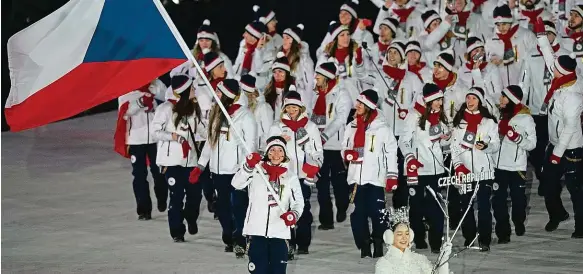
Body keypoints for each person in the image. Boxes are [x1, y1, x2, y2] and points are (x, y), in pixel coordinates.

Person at [190, 79, 258, 255]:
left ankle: (241, 240)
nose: (216, 96)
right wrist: (200, 166)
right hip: (218, 171)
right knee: (222, 207)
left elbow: (250, 146)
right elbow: (210, 143)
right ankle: (229, 236)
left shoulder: (245, 116)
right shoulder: (217, 113)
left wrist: (245, 169)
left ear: (228, 95)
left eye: (219, 93)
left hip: (236, 172)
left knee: (238, 206)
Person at [232, 136, 304, 274]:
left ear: (285, 154)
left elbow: (298, 202)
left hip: (280, 232)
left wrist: (293, 214)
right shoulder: (256, 171)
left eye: (280, 151)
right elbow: (236, 183)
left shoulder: (290, 177)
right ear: (267, 153)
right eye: (272, 150)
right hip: (256, 232)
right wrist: (248, 166)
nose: (276, 154)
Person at [342, 89, 398, 258]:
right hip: (356, 178)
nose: (356, 106)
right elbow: (345, 146)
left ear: (368, 106)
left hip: (375, 178)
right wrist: (347, 153)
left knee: (377, 212)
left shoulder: (382, 128)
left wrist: (392, 175)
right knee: (358, 213)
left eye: (360, 103)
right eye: (357, 102)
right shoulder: (351, 126)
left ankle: (379, 242)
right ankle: (364, 243)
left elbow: (391, 151)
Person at [266, 91, 323, 257]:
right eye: (288, 107)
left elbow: (318, 151)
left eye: (294, 107)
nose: (291, 111)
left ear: (300, 108)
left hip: (304, 176)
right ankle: (288, 244)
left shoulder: (310, 127)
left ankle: (303, 242)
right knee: (285, 209)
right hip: (284, 176)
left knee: (303, 208)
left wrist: (314, 165)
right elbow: (269, 150)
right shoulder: (277, 127)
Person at [151, 74, 207, 242]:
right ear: (183, 91)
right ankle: (177, 231)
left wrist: (214, 133)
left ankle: (191, 217)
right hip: (172, 162)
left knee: (195, 195)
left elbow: (202, 130)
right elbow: (155, 133)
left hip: (190, 160)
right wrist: (173, 136)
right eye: (191, 88)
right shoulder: (165, 109)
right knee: (176, 197)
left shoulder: (192, 109)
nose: (194, 90)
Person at [399, 83, 450, 253]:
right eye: (437, 100)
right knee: (416, 206)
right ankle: (418, 238)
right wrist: (410, 157)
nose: (440, 104)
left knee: (435, 206)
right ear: (429, 100)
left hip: (436, 169)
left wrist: (445, 139)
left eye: (441, 100)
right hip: (418, 169)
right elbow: (403, 141)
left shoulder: (441, 116)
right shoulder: (413, 115)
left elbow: (443, 143)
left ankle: (436, 242)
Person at [537, 52, 583, 238]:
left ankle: (580, 225)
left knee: (575, 189)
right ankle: (557, 214)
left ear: (562, 73)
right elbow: (550, 59)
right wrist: (540, 36)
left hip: (571, 148)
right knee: (548, 184)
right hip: (554, 144)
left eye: (554, 69)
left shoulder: (572, 97)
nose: (551, 69)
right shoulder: (560, 83)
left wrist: (557, 154)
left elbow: (570, 127)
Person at [524, 19, 571, 194]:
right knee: (537, 149)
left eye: (549, 33)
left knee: (557, 145)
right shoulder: (530, 55)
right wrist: (522, 104)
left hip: (558, 111)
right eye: (542, 34)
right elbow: (525, 81)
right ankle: (543, 176)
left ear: (554, 34)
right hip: (537, 109)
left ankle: (553, 180)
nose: (545, 37)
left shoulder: (564, 54)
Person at [450, 87, 499, 251]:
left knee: (484, 207)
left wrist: (486, 146)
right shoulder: (459, 123)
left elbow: (496, 145)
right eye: (468, 98)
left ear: (480, 101)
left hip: (484, 171)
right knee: (466, 206)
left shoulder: (488, 122)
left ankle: (484, 239)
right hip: (465, 172)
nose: (470, 101)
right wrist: (458, 167)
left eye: (474, 98)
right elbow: (454, 148)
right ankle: (469, 237)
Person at [375, 40, 423, 208]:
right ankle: (379, 206)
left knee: (402, 170)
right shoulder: (381, 76)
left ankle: (400, 206)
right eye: (390, 52)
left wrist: (408, 112)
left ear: (402, 56)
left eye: (395, 52)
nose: (392, 55)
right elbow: (376, 102)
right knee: (384, 167)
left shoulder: (412, 78)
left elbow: (420, 99)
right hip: (386, 131)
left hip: (404, 132)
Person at [115, 80, 168, 221]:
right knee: (139, 176)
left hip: (155, 139)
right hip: (136, 140)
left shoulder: (156, 84)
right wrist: (139, 103)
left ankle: (162, 197)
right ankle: (144, 210)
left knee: (159, 172)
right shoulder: (125, 91)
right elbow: (124, 114)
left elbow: (169, 99)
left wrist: (155, 94)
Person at [309, 61, 352, 230]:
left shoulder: (341, 94)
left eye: (318, 76)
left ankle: (342, 206)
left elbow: (341, 118)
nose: (316, 78)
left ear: (326, 77)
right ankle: (326, 219)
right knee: (321, 184)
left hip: (336, 145)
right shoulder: (315, 94)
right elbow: (311, 116)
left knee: (339, 181)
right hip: (319, 146)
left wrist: (325, 135)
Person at [492, 85, 536, 243]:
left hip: (517, 166)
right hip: (498, 166)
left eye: (504, 97)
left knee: (518, 199)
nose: (500, 99)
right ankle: (503, 233)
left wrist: (513, 135)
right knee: (498, 200)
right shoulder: (498, 115)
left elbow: (532, 144)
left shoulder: (526, 118)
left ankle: (518, 222)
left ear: (511, 100)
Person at [375, 207, 452, 274]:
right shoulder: (384, 263)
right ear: (390, 236)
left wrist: (443, 259)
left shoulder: (420, 259)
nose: (404, 238)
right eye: (399, 234)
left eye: (407, 233)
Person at [485, 4, 537, 87]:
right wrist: (492, 62)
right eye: (498, 25)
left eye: (504, 24)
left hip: (522, 85)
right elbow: (487, 64)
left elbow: (535, 59)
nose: (501, 28)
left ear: (510, 21)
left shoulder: (525, 35)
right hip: (500, 87)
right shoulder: (491, 40)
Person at [318, 21, 366, 106]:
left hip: (354, 103)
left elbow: (362, 76)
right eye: (342, 35)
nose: (346, 38)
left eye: (348, 34)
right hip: (334, 104)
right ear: (335, 38)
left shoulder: (355, 54)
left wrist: (359, 62)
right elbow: (319, 82)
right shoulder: (326, 59)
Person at [458, 36, 503, 104]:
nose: (480, 53)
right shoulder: (462, 70)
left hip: (487, 106)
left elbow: (498, 93)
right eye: (476, 51)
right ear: (469, 53)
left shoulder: (491, 68)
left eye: (482, 50)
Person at [280, 24, 316, 105]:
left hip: (297, 98)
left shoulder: (304, 60)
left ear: (294, 41)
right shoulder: (280, 56)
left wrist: (308, 105)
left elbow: (309, 83)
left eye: (287, 38)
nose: (284, 40)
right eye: (283, 37)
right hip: (281, 96)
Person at [240, 74, 274, 152]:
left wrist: (262, 151)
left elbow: (269, 132)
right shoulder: (241, 109)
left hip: (259, 152)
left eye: (245, 94)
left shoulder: (263, 107)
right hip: (243, 152)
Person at [366, 17, 401, 89]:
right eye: (380, 28)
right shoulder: (374, 47)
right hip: (372, 84)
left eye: (385, 29)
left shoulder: (398, 50)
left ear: (392, 32)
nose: (382, 31)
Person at [263, 53, 298, 122]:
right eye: (274, 72)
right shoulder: (268, 90)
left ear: (286, 73)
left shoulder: (294, 90)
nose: (277, 75)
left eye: (280, 71)